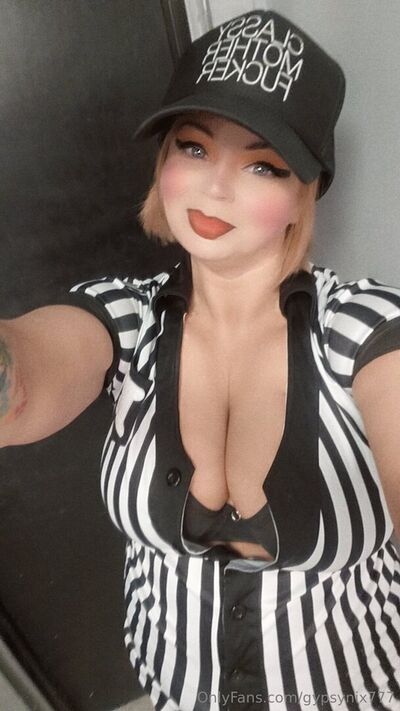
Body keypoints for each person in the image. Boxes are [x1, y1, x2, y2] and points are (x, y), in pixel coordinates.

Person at [1, 8, 400, 711]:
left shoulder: (364, 328)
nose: (216, 186)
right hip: (176, 690)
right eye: (193, 147)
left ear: (304, 192)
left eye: (261, 164)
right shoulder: (125, 319)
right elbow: (24, 378)